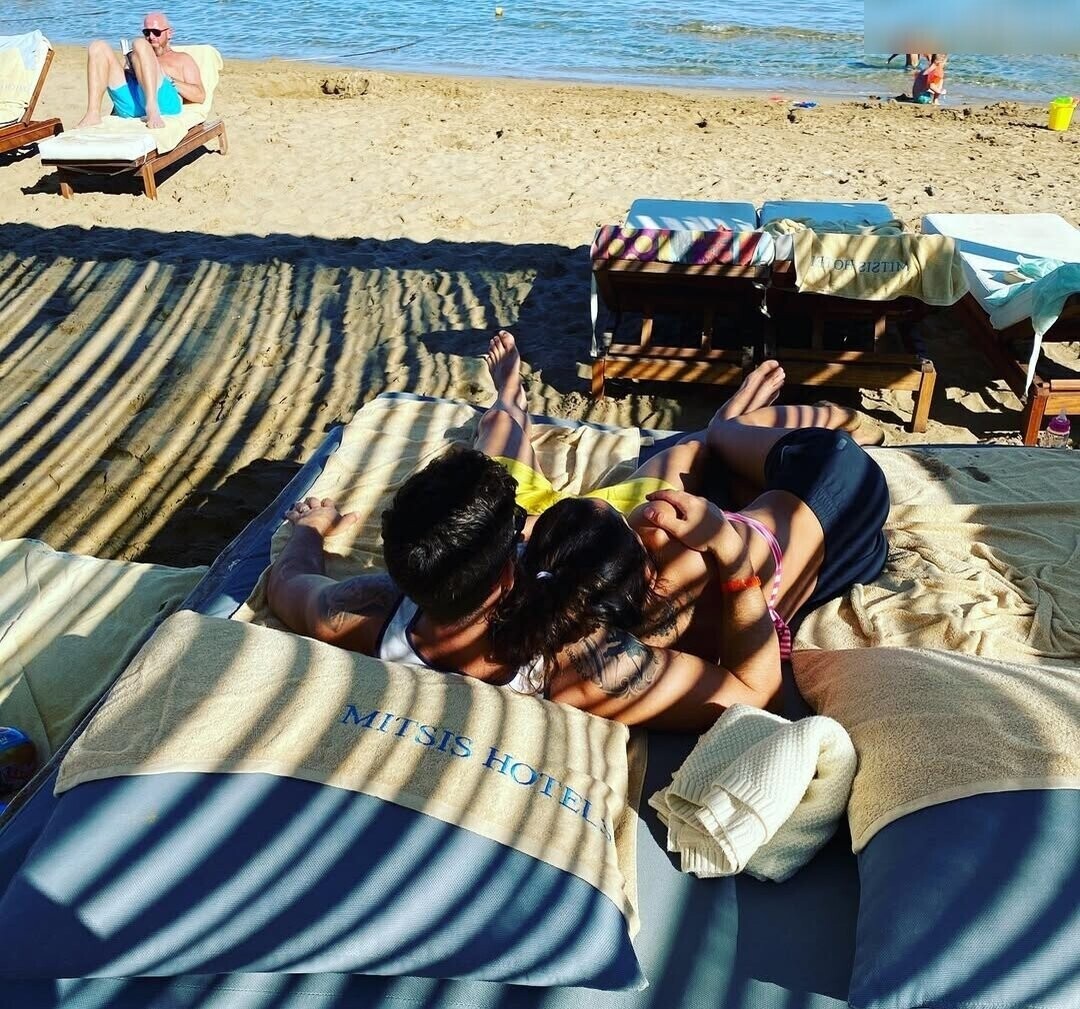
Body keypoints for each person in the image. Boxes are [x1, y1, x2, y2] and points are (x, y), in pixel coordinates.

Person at [476, 331, 890, 727]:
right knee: (715, 438)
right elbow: (762, 695)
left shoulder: (608, 637)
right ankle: (756, 421)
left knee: (705, 453)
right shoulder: (659, 529)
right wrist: (729, 549)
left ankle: (510, 397)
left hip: (822, 554)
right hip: (837, 483)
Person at [266, 448, 779, 731]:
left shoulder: (359, 613)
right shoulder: (579, 663)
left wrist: (311, 530)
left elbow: (287, 582)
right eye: (518, 524)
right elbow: (754, 692)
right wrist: (733, 558)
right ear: (510, 572)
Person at [76, 11, 205, 130]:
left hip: (163, 103)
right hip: (133, 104)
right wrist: (130, 71)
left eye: (156, 32)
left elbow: (200, 96)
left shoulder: (182, 59)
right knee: (97, 47)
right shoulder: (136, 55)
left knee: (139, 43)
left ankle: (152, 107)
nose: (151, 37)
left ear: (169, 33)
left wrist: (169, 79)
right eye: (147, 32)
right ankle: (93, 113)